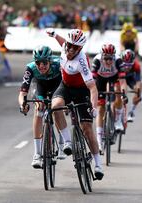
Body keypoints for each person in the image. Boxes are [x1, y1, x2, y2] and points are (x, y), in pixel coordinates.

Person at [46, 28, 104, 180]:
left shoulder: (81, 61)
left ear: (80, 48)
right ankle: (67, 142)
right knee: (55, 106)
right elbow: (63, 42)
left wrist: (93, 108)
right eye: (69, 45)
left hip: (82, 91)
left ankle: (98, 164)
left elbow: (92, 88)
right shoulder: (67, 47)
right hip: (65, 86)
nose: (70, 49)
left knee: (87, 129)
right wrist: (54, 35)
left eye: (75, 48)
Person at [18, 45, 65, 169]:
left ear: (49, 61)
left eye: (44, 62)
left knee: (57, 108)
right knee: (38, 110)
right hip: (41, 88)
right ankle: (37, 154)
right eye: (38, 63)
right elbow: (23, 93)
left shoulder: (58, 64)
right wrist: (23, 104)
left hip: (57, 85)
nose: (41, 66)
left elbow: (68, 82)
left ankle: (61, 142)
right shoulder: (31, 68)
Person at [91, 43, 128, 152]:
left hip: (114, 78)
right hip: (100, 80)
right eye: (106, 59)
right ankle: (99, 140)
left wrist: (124, 94)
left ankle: (117, 121)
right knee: (100, 108)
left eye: (110, 59)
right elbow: (92, 82)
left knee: (118, 93)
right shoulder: (97, 61)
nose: (108, 61)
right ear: (102, 56)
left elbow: (123, 81)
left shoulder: (118, 61)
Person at [121, 49, 142, 122]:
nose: (127, 67)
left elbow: (138, 81)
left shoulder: (136, 65)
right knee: (123, 89)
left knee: (138, 88)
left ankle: (132, 112)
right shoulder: (118, 63)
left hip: (130, 79)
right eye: (125, 65)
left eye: (129, 65)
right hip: (120, 78)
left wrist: (138, 92)